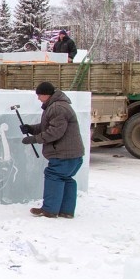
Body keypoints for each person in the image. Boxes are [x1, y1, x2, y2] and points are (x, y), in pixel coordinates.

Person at [19, 81, 86, 218]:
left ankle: (50, 210)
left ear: (46, 94)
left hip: (63, 154)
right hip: (73, 154)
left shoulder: (57, 108)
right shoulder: (58, 105)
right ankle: (66, 211)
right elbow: (48, 126)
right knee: (66, 178)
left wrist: (34, 139)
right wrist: (31, 129)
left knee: (53, 176)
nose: (38, 98)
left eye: (39, 95)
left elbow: (55, 132)